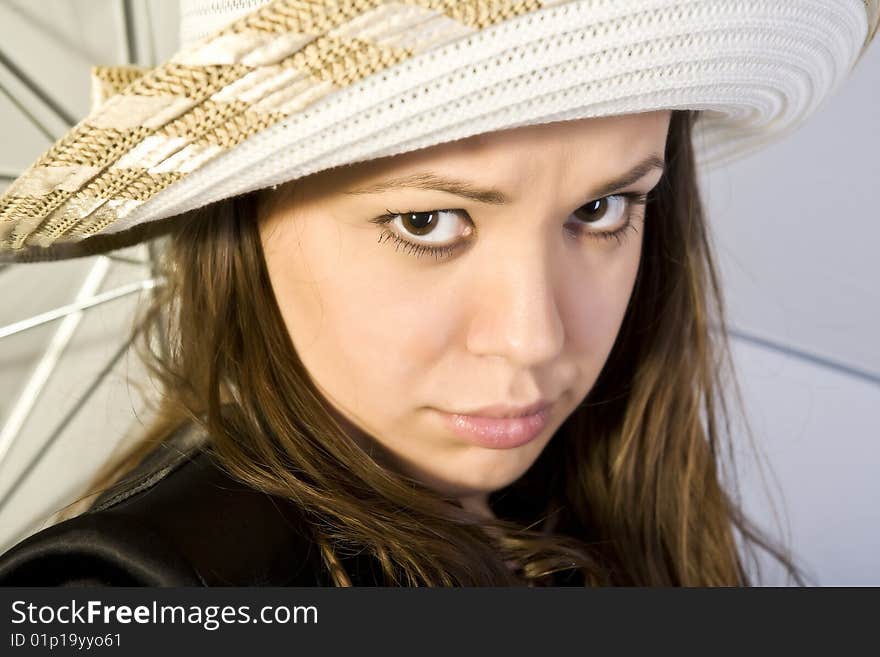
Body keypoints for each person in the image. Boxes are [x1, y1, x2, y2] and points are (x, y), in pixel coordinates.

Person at [0, 0, 876, 586]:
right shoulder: (131, 590)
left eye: (602, 208)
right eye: (428, 221)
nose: (534, 337)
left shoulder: (595, 502)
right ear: (246, 213)